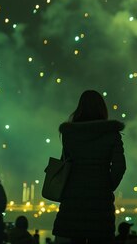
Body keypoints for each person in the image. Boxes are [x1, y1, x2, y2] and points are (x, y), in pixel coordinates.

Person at [52, 90, 126, 243]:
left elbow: (65, 162)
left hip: (73, 196)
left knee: (74, 236)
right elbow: (120, 166)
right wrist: (107, 185)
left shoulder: (69, 133)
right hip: (100, 199)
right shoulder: (111, 133)